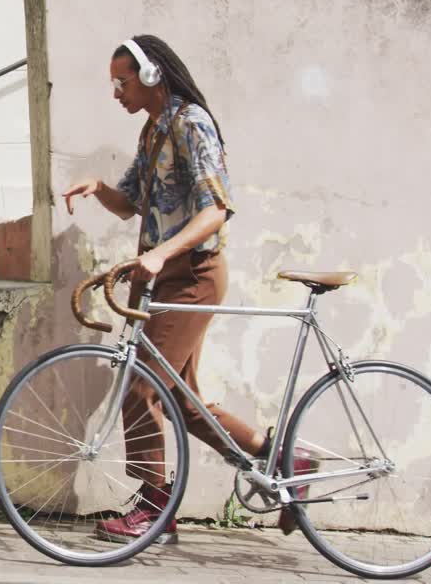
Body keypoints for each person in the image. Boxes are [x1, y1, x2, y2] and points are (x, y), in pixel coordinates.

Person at [62, 35, 313, 544]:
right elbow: (130, 202)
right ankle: (287, 458)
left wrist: (161, 253)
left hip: (193, 276)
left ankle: (156, 509)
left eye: (122, 82)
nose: (115, 93)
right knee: (181, 400)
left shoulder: (192, 123)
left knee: (141, 387)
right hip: (163, 280)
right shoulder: (154, 130)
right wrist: (99, 188)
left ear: (151, 74)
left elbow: (216, 208)